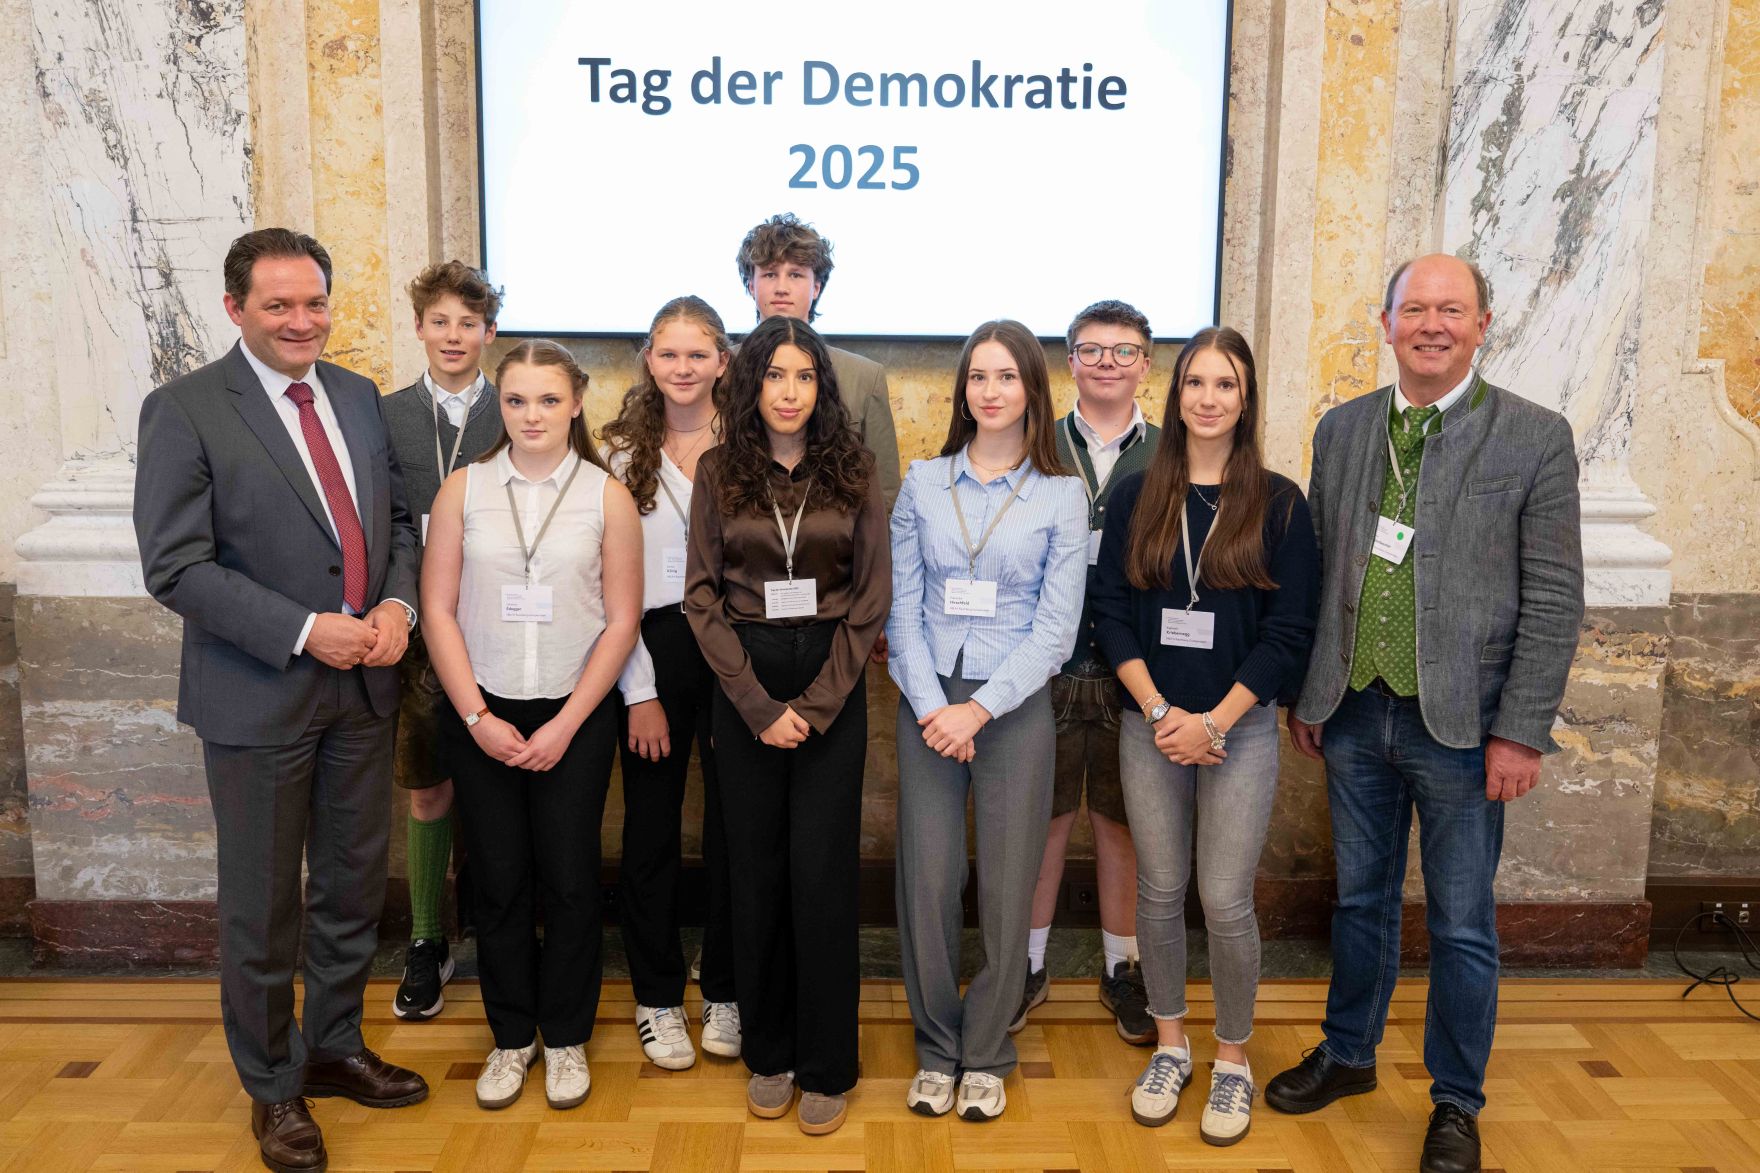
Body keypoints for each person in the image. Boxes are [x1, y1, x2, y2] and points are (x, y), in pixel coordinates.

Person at [1264, 254, 1584, 1173]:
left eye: (1452, 309)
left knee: (1461, 921)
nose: (1432, 324)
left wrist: (1520, 729)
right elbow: (1318, 570)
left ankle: (1456, 1100)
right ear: (1386, 322)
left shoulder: (1535, 436)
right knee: (1358, 900)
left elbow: (1554, 596)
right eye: (1415, 309)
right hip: (1353, 712)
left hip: (1467, 729)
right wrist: (1311, 691)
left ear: (1484, 325)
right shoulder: (1343, 429)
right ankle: (1349, 1053)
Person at [133, 228, 427, 1173]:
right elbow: (176, 567)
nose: (303, 321)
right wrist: (305, 629)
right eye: (279, 305)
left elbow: (396, 523)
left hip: (364, 686)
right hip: (259, 693)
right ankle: (273, 1084)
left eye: (315, 302)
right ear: (235, 308)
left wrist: (396, 604)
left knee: (350, 886)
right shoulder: (185, 409)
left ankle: (334, 1044)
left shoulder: (356, 395)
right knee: (263, 906)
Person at [1089, 327, 1319, 1144]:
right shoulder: (1135, 496)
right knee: (1158, 890)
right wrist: (1160, 713)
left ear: (1246, 399)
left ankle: (1231, 1058)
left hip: (1239, 730)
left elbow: (1289, 633)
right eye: (1196, 383)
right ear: (1176, 393)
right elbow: (1110, 614)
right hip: (1149, 723)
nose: (1210, 398)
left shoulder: (1282, 503)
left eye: (1226, 384)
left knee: (1223, 898)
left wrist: (1214, 720)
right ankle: (1170, 1043)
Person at [420, 340, 642, 1112]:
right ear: (499, 405)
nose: (532, 415)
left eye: (549, 399)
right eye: (516, 400)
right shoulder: (465, 489)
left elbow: (622, 620)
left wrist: (569, 724)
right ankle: (513, 1037)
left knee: (572, 880)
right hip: (481, 710)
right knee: (500, 879)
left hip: (574, 713)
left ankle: (568, 1035)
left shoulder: (606, 496)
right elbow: (438, 611)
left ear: (576, 403)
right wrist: (476, 717)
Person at [684, 313, 890, 1136]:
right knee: (757, 873)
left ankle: (828, 1062)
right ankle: (769, 1052)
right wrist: (760, 707)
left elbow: (870, 598)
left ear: (822, 387)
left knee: (823, 875)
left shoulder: (855, 468)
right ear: (751, 384)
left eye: (805, 376)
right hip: (747, 684)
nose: (790, 391)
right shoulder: (718, 470)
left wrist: (816, 704)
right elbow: (701, 597)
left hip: (831, 681)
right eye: (775, 375)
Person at [889, 320, 1087, 1122]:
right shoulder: (922, 482)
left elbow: (1056, 629)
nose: (991, 390)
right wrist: (935, 706)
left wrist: (978, 707)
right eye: (978, 376)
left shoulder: (1061, 494)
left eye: (1007, 376)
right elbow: (902, 610)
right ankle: (938, 1044)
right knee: (929, 878)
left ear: (1033, 390)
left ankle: (988, 1048)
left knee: (1009, 882)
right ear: (962, 390)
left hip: (1013, 704)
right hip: (927, 702)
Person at [601, 296, 741, 1070]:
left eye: (698, 353)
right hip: (648, 649)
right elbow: (608, 590)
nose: (683, 368)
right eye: (668, 353)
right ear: (648, 361)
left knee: (733, 829)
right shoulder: (621, 454)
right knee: (650, 831)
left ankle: (724, 986)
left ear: (724, 361)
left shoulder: (749, 443)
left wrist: (745, 684)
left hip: (735, 655)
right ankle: (656, 995)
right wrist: (639, 691)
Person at [1017, 300, 1161, 1045]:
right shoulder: (1032, 444)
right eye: (1092, 349)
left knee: (1120, 823)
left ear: (1146, 364)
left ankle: (1121, 968)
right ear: (1069, 362)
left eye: (1124, 350)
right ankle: (1026, 964)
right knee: (1038, 822)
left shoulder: (1172, 451)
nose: (1108, 362)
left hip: (1134, 673)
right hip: (1040, 668)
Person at [381, 259, 506, 1022]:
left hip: (503, 622)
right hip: (420, 630)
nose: (454, 335)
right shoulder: (385, 415)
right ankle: (428, 936)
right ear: (419, 327)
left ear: (489, 332)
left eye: (469, 322)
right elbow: (383, 521)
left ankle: (505, 932)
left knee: (503, 783)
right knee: (428, 785)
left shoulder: (517, 406)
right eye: (440, 321)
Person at [736, 213, 901, 512]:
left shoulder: (863, 377)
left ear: (816, 287)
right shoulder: (721, 369)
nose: (782, 287)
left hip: (835, 534)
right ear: (750, 284)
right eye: (770, 274)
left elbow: (885, 495)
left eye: (796, 274)